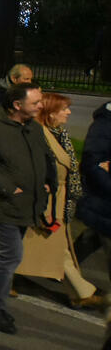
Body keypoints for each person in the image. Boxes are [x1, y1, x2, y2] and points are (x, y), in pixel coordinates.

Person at [0, 83, 56, 334]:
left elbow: (45, 157)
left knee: (2, 253)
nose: (41, 105)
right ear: (17, 105)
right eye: (35, 102)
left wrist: (47, 182)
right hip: (2, 203)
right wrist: (9, 189)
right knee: (11, 254)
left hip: (27, 204)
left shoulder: (33, 127)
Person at [17, 93, 103, 308]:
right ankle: (81, 293)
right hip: (47, 199)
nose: (69, 112)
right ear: (50, 113)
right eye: (64, 109)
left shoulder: (60, 134)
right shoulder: (40, 135)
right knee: (55, 247)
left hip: (59, 198)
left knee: (26, 246)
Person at [77, 101, 111, 272]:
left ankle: (63, 267)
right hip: (104, 197)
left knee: (92, 237)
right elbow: (92, 163)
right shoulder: (103, 126)